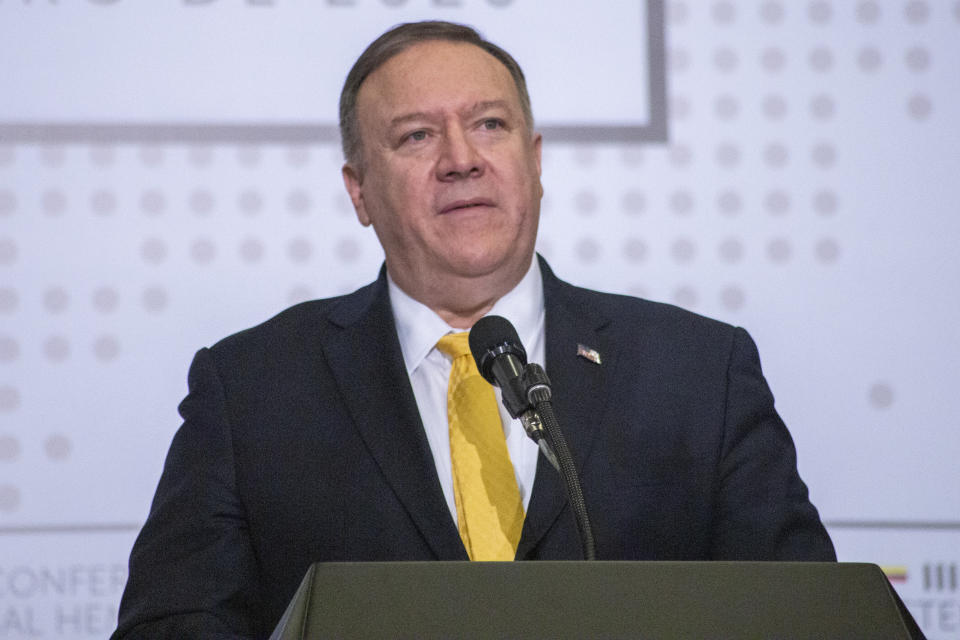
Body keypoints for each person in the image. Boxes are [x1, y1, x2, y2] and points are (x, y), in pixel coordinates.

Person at [112, 21, 835, 639]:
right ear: (359, 191)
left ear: (536, 160)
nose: (461, 159)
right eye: (417, 135)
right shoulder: (252, 390)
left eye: (490, 124)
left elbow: (811, 618)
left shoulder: (699, 373)